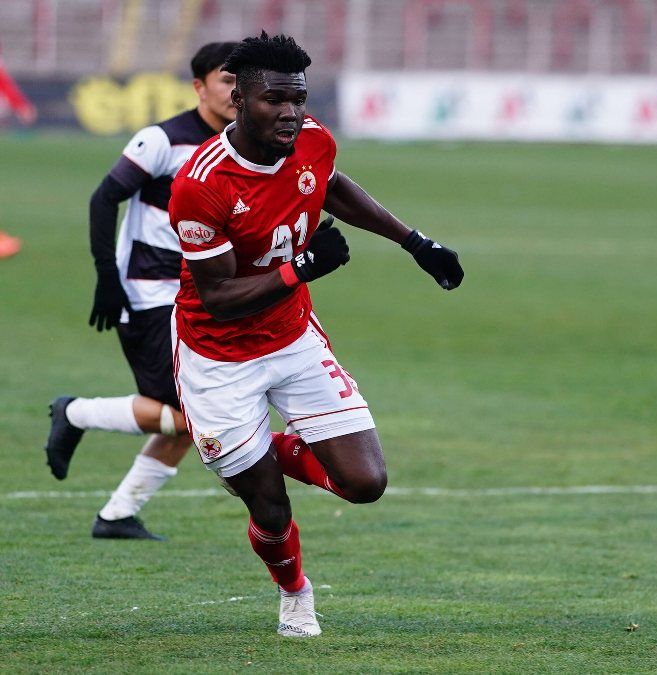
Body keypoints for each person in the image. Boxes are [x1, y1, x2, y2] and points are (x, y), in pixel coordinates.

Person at [168, 32, 463, 637]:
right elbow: (218, 299)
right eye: (274, 100)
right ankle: (295, 593)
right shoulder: (201, 184)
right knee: (270, 506)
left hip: (292, 337)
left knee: (366, 483)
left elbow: (328, 183)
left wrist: (414, 243)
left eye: (298, 98)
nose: (290, 112)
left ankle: (260, 449)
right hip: (218, 355)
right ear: (240, 100)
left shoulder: (311, 139)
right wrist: (299, 268)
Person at [43, 42, 239, 540]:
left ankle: (117, 516)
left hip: (204, 296)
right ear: (199, 87)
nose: (236, 90)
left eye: (243, 81)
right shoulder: (162, 139)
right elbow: (104, 197)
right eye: (226, 80)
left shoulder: (242, 146)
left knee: (193, 414)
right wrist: (107, 277)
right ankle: (75, 412)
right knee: (189, 414)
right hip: (151, 293)